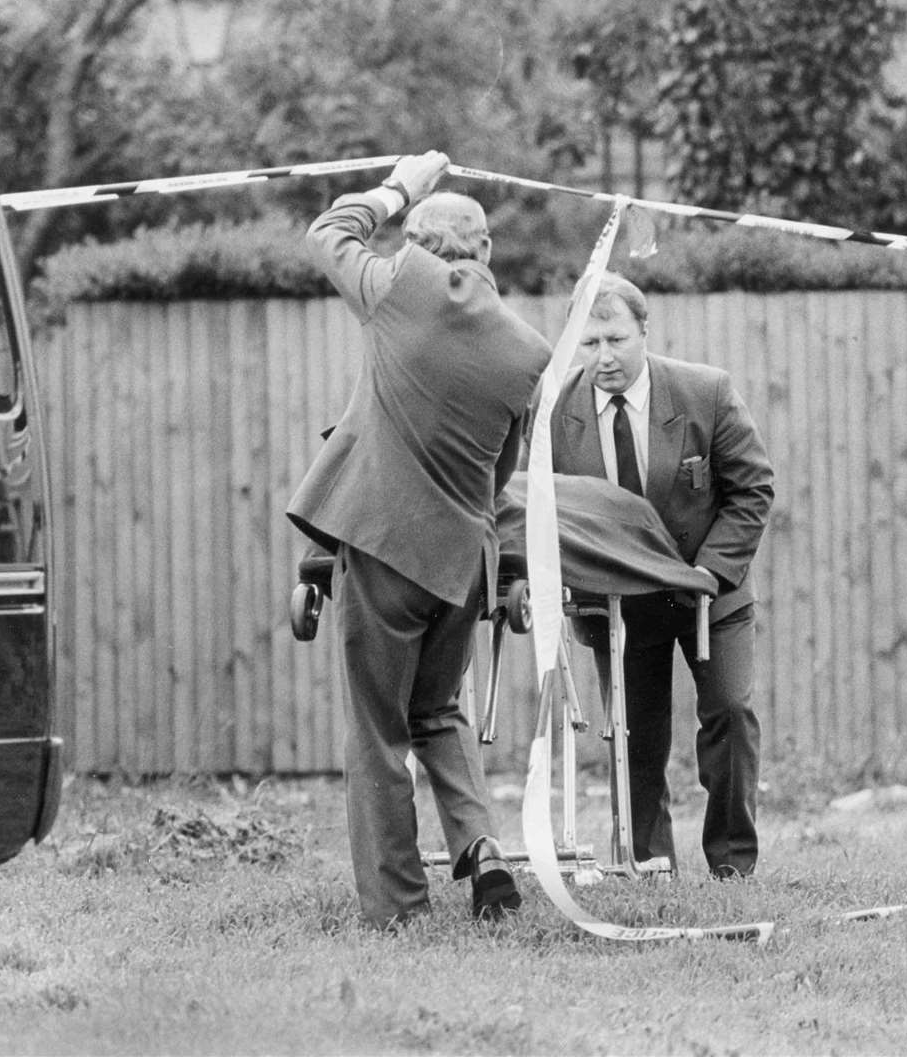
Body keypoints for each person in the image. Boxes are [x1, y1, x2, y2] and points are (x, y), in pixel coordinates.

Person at [287, 151, 552, 927]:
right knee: (437, 711)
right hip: (459, 565)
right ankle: (481, 849)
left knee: (376, 731)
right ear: (489, 253)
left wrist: (401, 186)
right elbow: (498, 478)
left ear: (416, 242)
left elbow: (327, 232)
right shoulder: (528, 352)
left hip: (383, 548)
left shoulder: (402, 286)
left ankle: (398, 906)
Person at [548, 271, 774, 879]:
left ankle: (733, 863)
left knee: (729, 712)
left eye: (616, 340)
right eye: (588, 343)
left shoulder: (706, 393)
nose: (604, 357)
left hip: (710, 593)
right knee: (633, 737)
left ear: (644, 331)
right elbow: (539, 509)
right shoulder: (551, 413)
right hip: (618, 602)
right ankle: (649, 866)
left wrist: (710, 572)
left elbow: (752, 490)